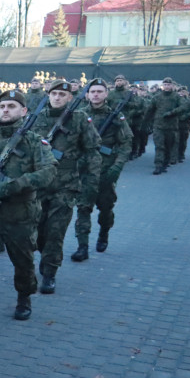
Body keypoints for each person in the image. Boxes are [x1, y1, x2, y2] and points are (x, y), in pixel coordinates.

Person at [0, 90, 55, 338]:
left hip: (21, 217)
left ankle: (24, 297)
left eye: (12, 106)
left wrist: (11, 186)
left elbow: (48, 173)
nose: (6, 110)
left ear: (24, 111)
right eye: (3, 106)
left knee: (23, 264)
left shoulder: (35, 142)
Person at [33, 81, 101, 293]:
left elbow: (92, 149)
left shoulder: (79, 119)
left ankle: (49, 273)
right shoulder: (37, 117)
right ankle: (46, 258)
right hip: (38, 185)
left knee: (55, 232)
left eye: (62, 94)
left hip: (65, 185)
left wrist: (92, 180)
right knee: (38, 233)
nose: (57, 98)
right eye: (54, 93)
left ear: (70, 97)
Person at [72, 79, 131, 259]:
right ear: (87, 94)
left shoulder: (116, 116)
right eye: (92, 91)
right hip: (85, 170)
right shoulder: (78, 114)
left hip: (106, 170)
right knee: (83, 208)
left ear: (106, 94)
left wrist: (117, 166)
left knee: (105, 208)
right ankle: (82, 247)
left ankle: (104, 233)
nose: (96, 94)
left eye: (99, 91)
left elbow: (126, 142)